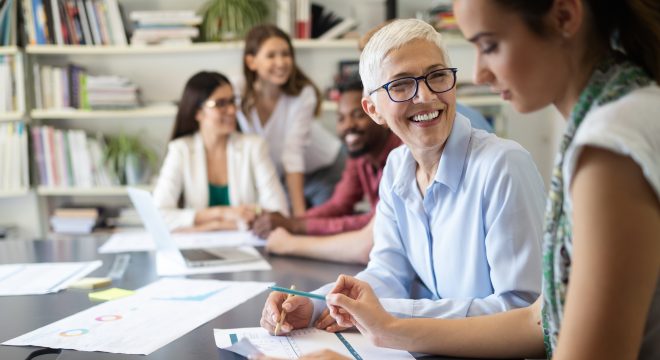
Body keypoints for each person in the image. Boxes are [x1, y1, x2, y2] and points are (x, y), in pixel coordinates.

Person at [319, 1, 660, 359]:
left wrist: (391, 325)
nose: (479, 74)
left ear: (564, 16)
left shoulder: (609, 147)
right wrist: (353, 313)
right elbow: (538, 320)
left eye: (490, 46)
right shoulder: (616, 116)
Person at [259, 18, 548, 337]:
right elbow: (388, 273)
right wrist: (319, 303)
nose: (425, 96)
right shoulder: (397, 167)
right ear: (373, 110)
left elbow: (525, 310)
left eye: (437, 76)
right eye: (400, 85)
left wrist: (386, 315)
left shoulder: (503, 165)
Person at [261, 79, 495, 264]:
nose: (347, 126)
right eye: (341, 118)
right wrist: (290, 222)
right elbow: (339, 204)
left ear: (377, 112)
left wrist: (295, 229)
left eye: (357, 115)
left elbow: (372, 226)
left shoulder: (404, 153)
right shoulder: (360, 152)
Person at [153, 71, 289, 231]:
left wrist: (205, 224)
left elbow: (278, 213)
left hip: (248, 246)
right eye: (220, 103)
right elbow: (158, 215)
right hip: (198, 246)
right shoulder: (181, 150)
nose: (232, 110)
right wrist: (222, 214)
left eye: (232, 101)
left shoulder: (254, 147)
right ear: (198, 112)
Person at [236, 24, 345, 216]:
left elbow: (292, 154)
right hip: (286, 178)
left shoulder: (303, 94)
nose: (281, 62)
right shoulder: (238, 92)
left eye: (286, 54)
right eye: (271, 56)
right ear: (251, 62)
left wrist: (299, 218)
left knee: (319, 227)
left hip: (326, 169)